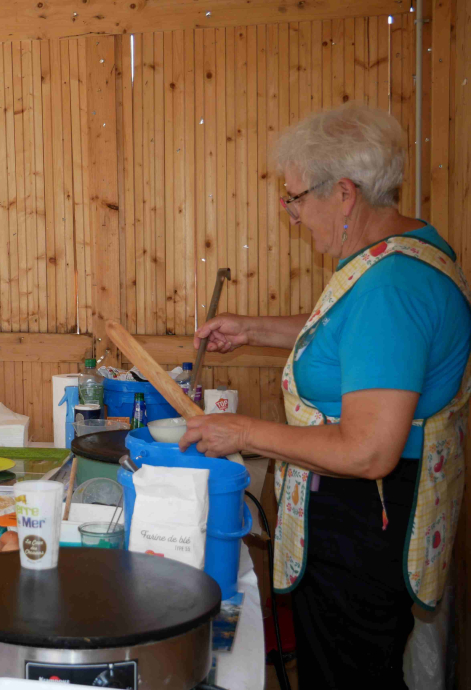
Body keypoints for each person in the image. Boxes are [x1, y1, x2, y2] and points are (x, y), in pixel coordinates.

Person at [181, 104, 471, 689]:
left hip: (365, 528)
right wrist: (256, 329)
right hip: (367, 520)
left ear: (343, 193)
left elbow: (368, 450)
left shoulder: (393, 287)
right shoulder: (401, 250)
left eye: (295, 197)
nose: (290, 214)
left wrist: (243, 432)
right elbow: (355, 342)